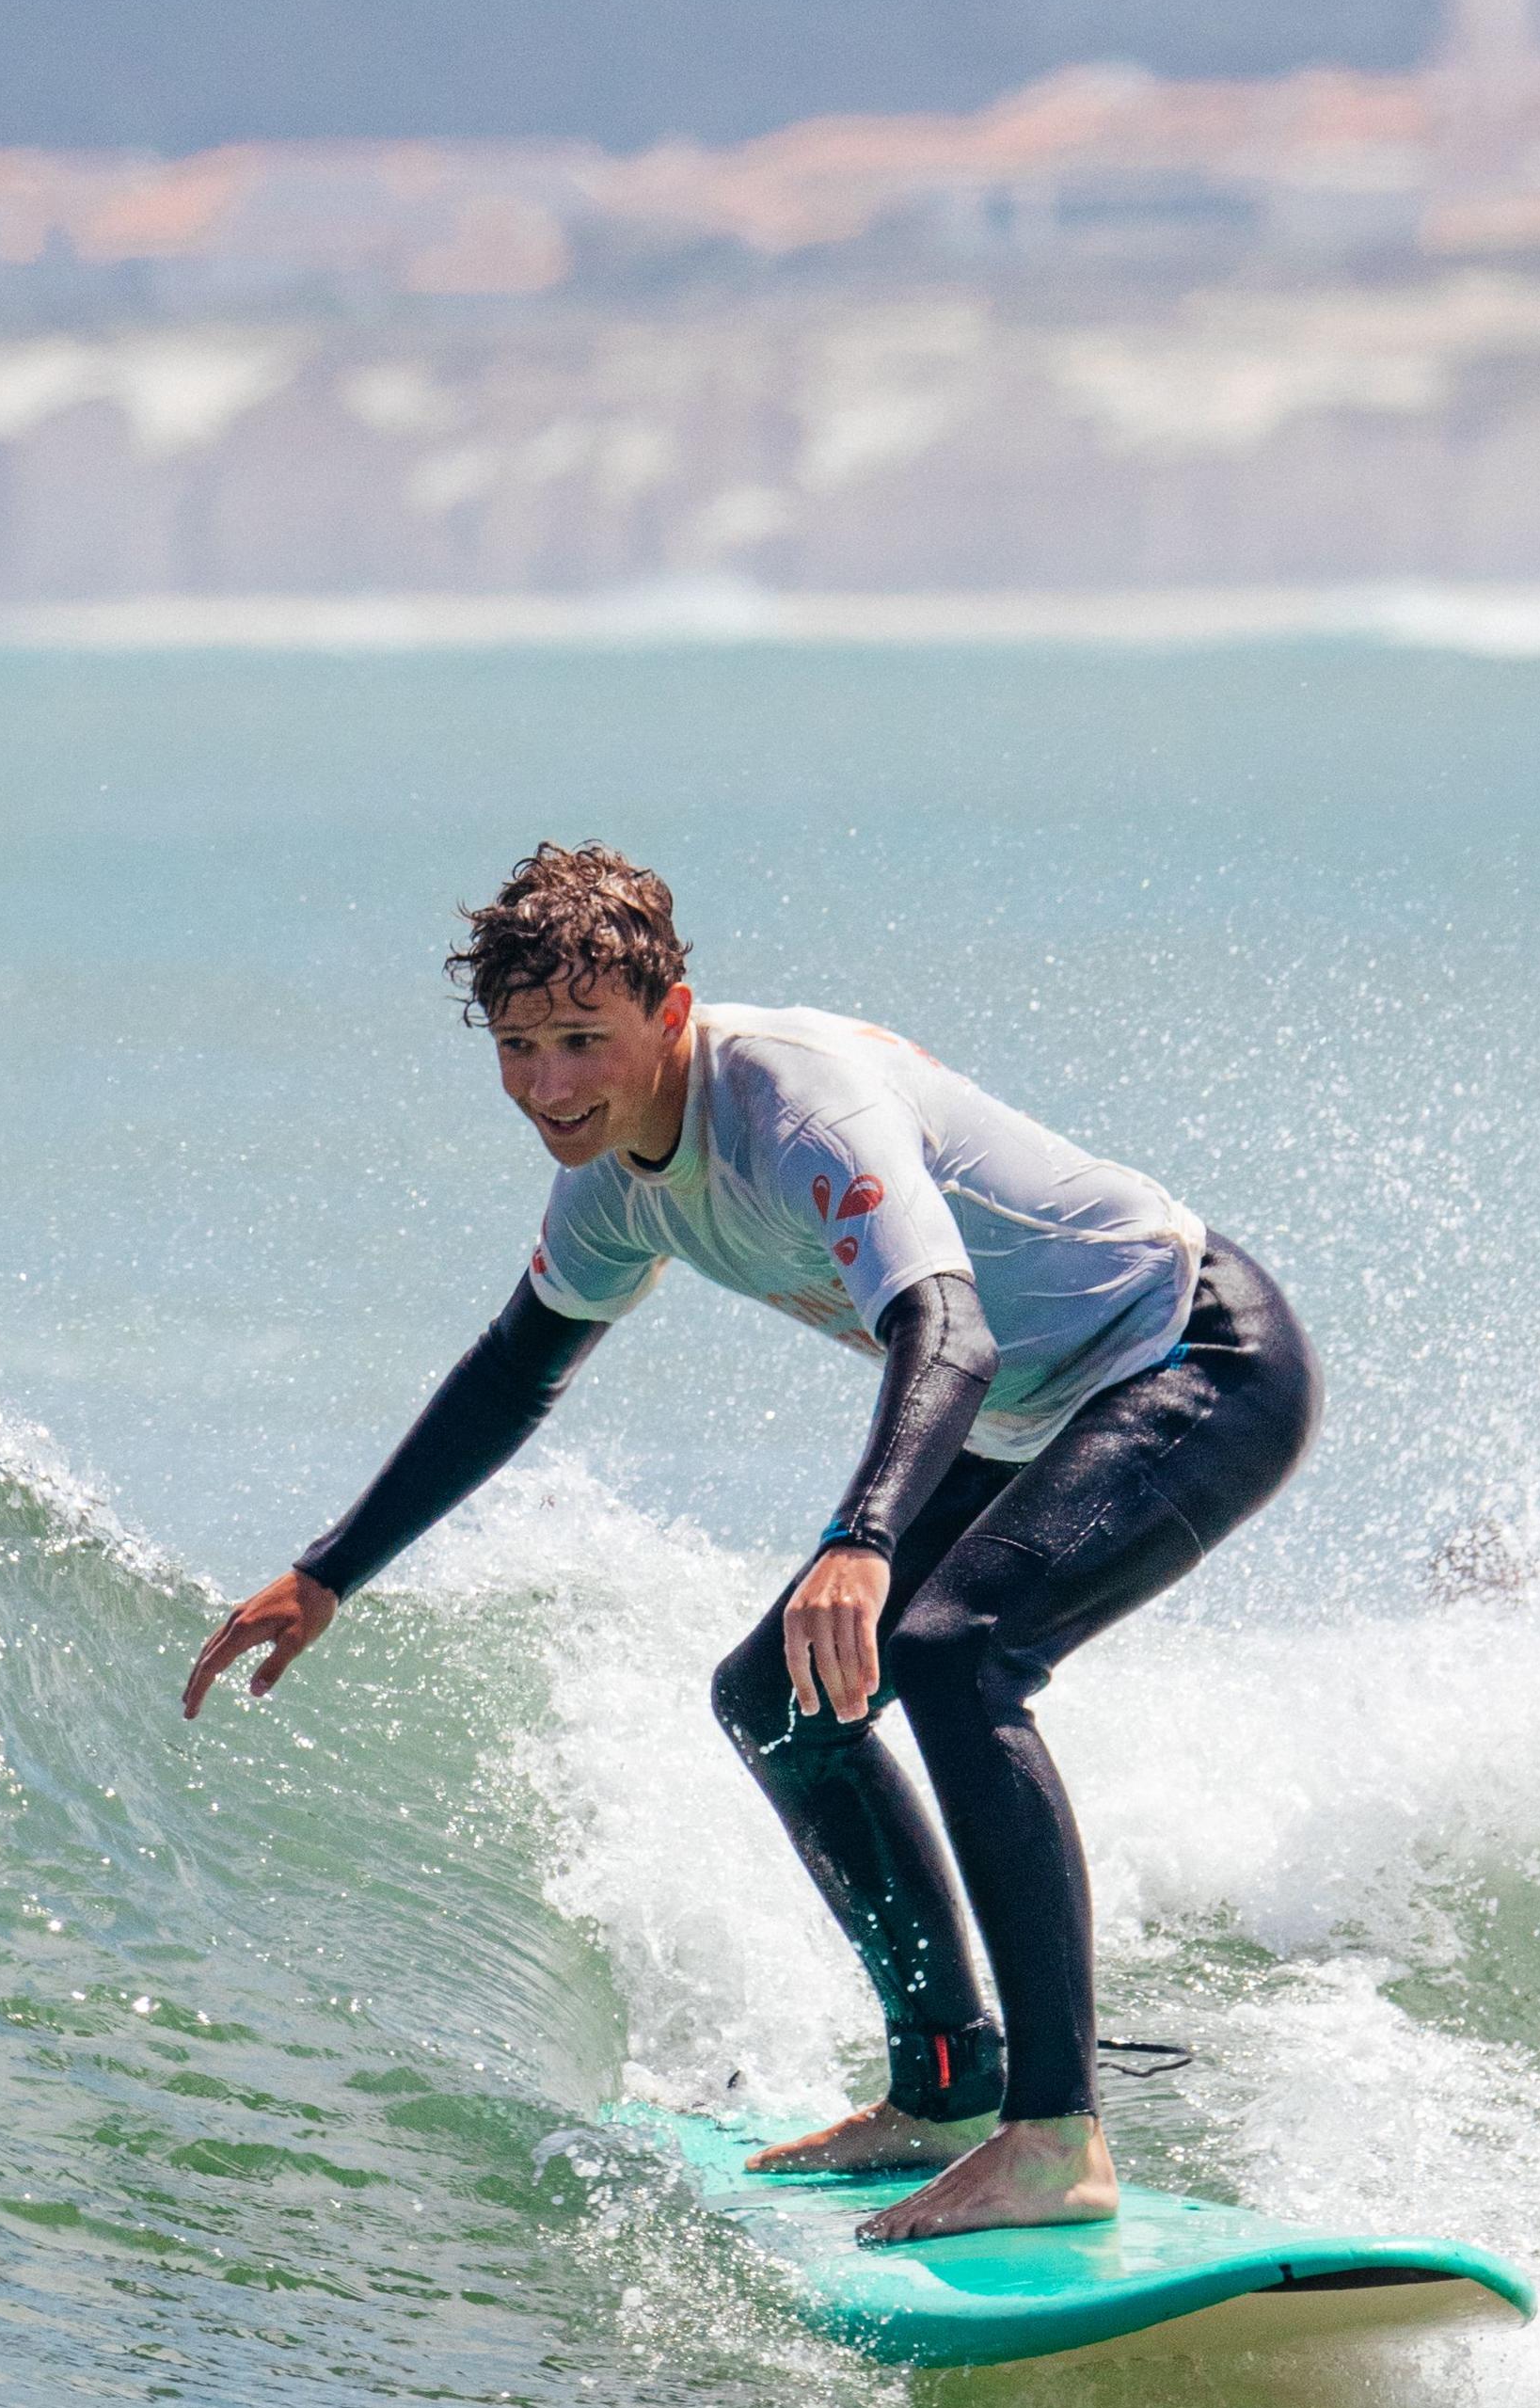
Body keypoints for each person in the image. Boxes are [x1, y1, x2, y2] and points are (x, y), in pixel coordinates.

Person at [180, 841, 1320, 2241]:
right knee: (777, 1702)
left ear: (671, 1016)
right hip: (1033, 1408)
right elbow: (513, 1375)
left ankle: (1056, 2134)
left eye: (583, 1042)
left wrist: (864, 1534)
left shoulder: (791, 1102)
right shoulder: (610, 1177)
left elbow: (944, 1327)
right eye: (520, 1047)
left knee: (955, 1649)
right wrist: (329, 1570)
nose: (550, 1087)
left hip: (1192, 1356)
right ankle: (950, 2085)